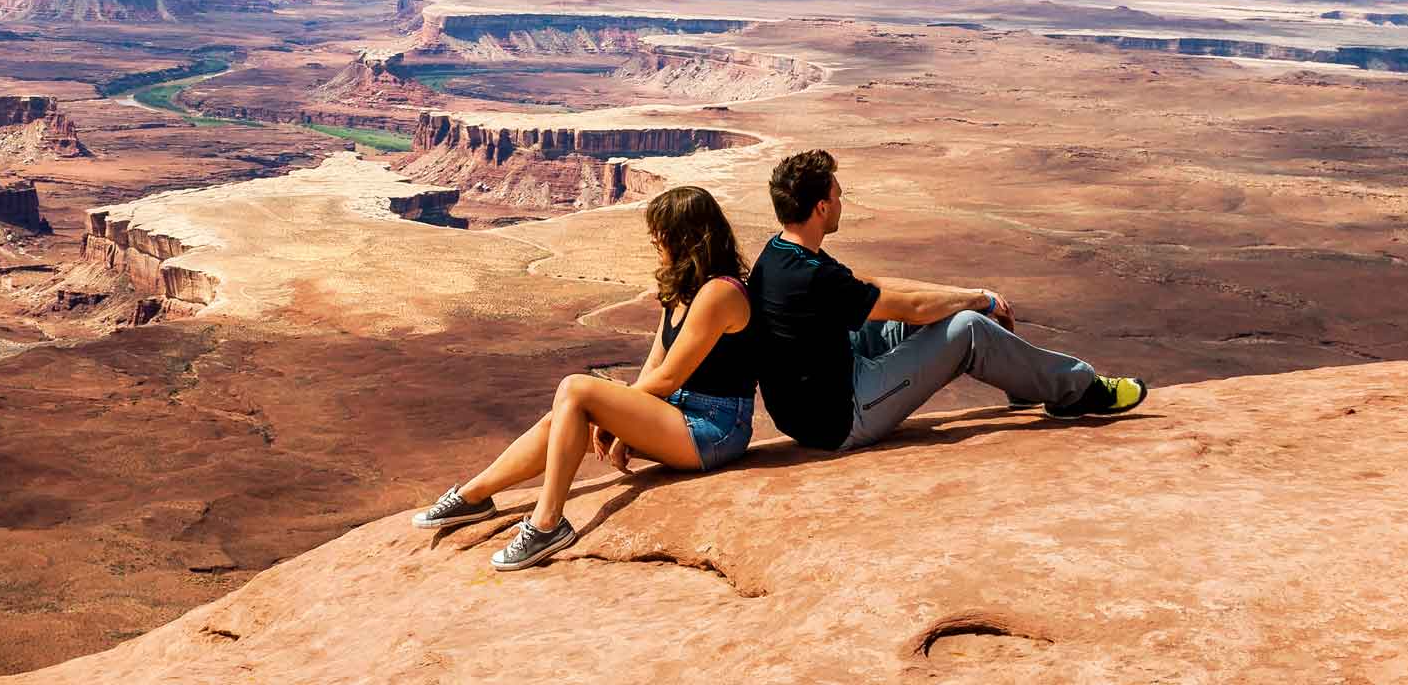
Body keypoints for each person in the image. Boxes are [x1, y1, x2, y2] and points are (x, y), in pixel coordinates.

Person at [409, 186, 760, 571]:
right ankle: (475, 495)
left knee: (575, 390)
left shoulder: (719, 293)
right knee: (563, 414)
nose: (654, 240)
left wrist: (617, 421)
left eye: (660, 231)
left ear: (686, 235)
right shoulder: (682, 289)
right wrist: (623, 418)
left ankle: (547, 524)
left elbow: (668, 379)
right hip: (678, 416)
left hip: (715, 428)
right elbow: (654, 366)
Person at [750, 149, 1147, 453]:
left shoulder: (780, 253)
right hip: (840, 417)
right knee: (967, 330)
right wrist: (978, 301)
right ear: (821, 207)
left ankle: (1025, 386)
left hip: (809, 405)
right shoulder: (813, 275)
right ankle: (1080, 390)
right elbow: (913, 308)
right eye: (838, 195)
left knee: (908, 319)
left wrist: (958, 295)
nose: (842, 203)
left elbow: (875, 285)